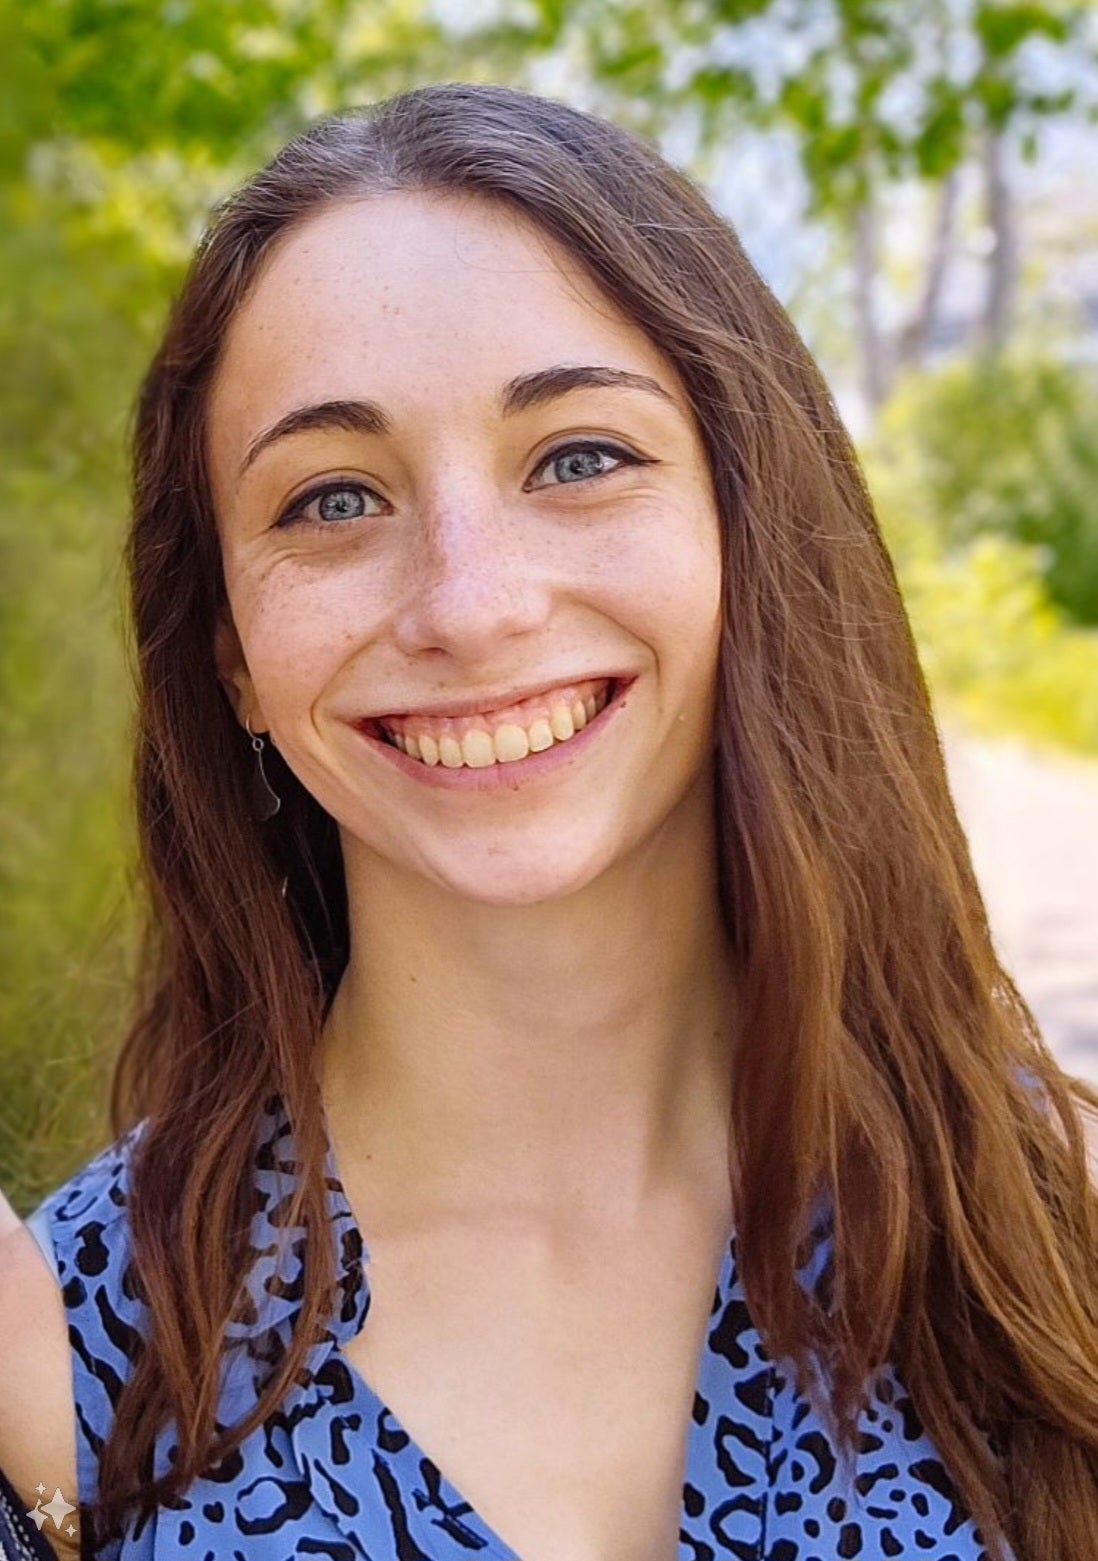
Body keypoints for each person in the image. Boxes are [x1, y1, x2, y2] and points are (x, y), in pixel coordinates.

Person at [0, 79, 1095, 1561]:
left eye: (578, 456)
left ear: (743, 523)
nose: (471, 602)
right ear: (231, 656)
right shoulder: (61, 1355)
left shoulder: (1047, 1227)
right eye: (332, 498)